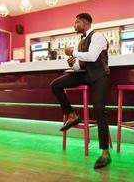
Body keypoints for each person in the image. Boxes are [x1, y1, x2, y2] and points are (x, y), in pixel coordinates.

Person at [50, 13, 111, 169]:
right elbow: (81, 65)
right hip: (85, 75)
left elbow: (92, 57)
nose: (74, 25)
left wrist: (72, 53)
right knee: (55, 85)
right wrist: (73, 64)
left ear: (85, 22)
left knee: (99, 110)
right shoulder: (81, 42)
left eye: (76, 22)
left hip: (99, 76)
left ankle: (105, 153)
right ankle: (72, 115)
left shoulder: (98, 37)